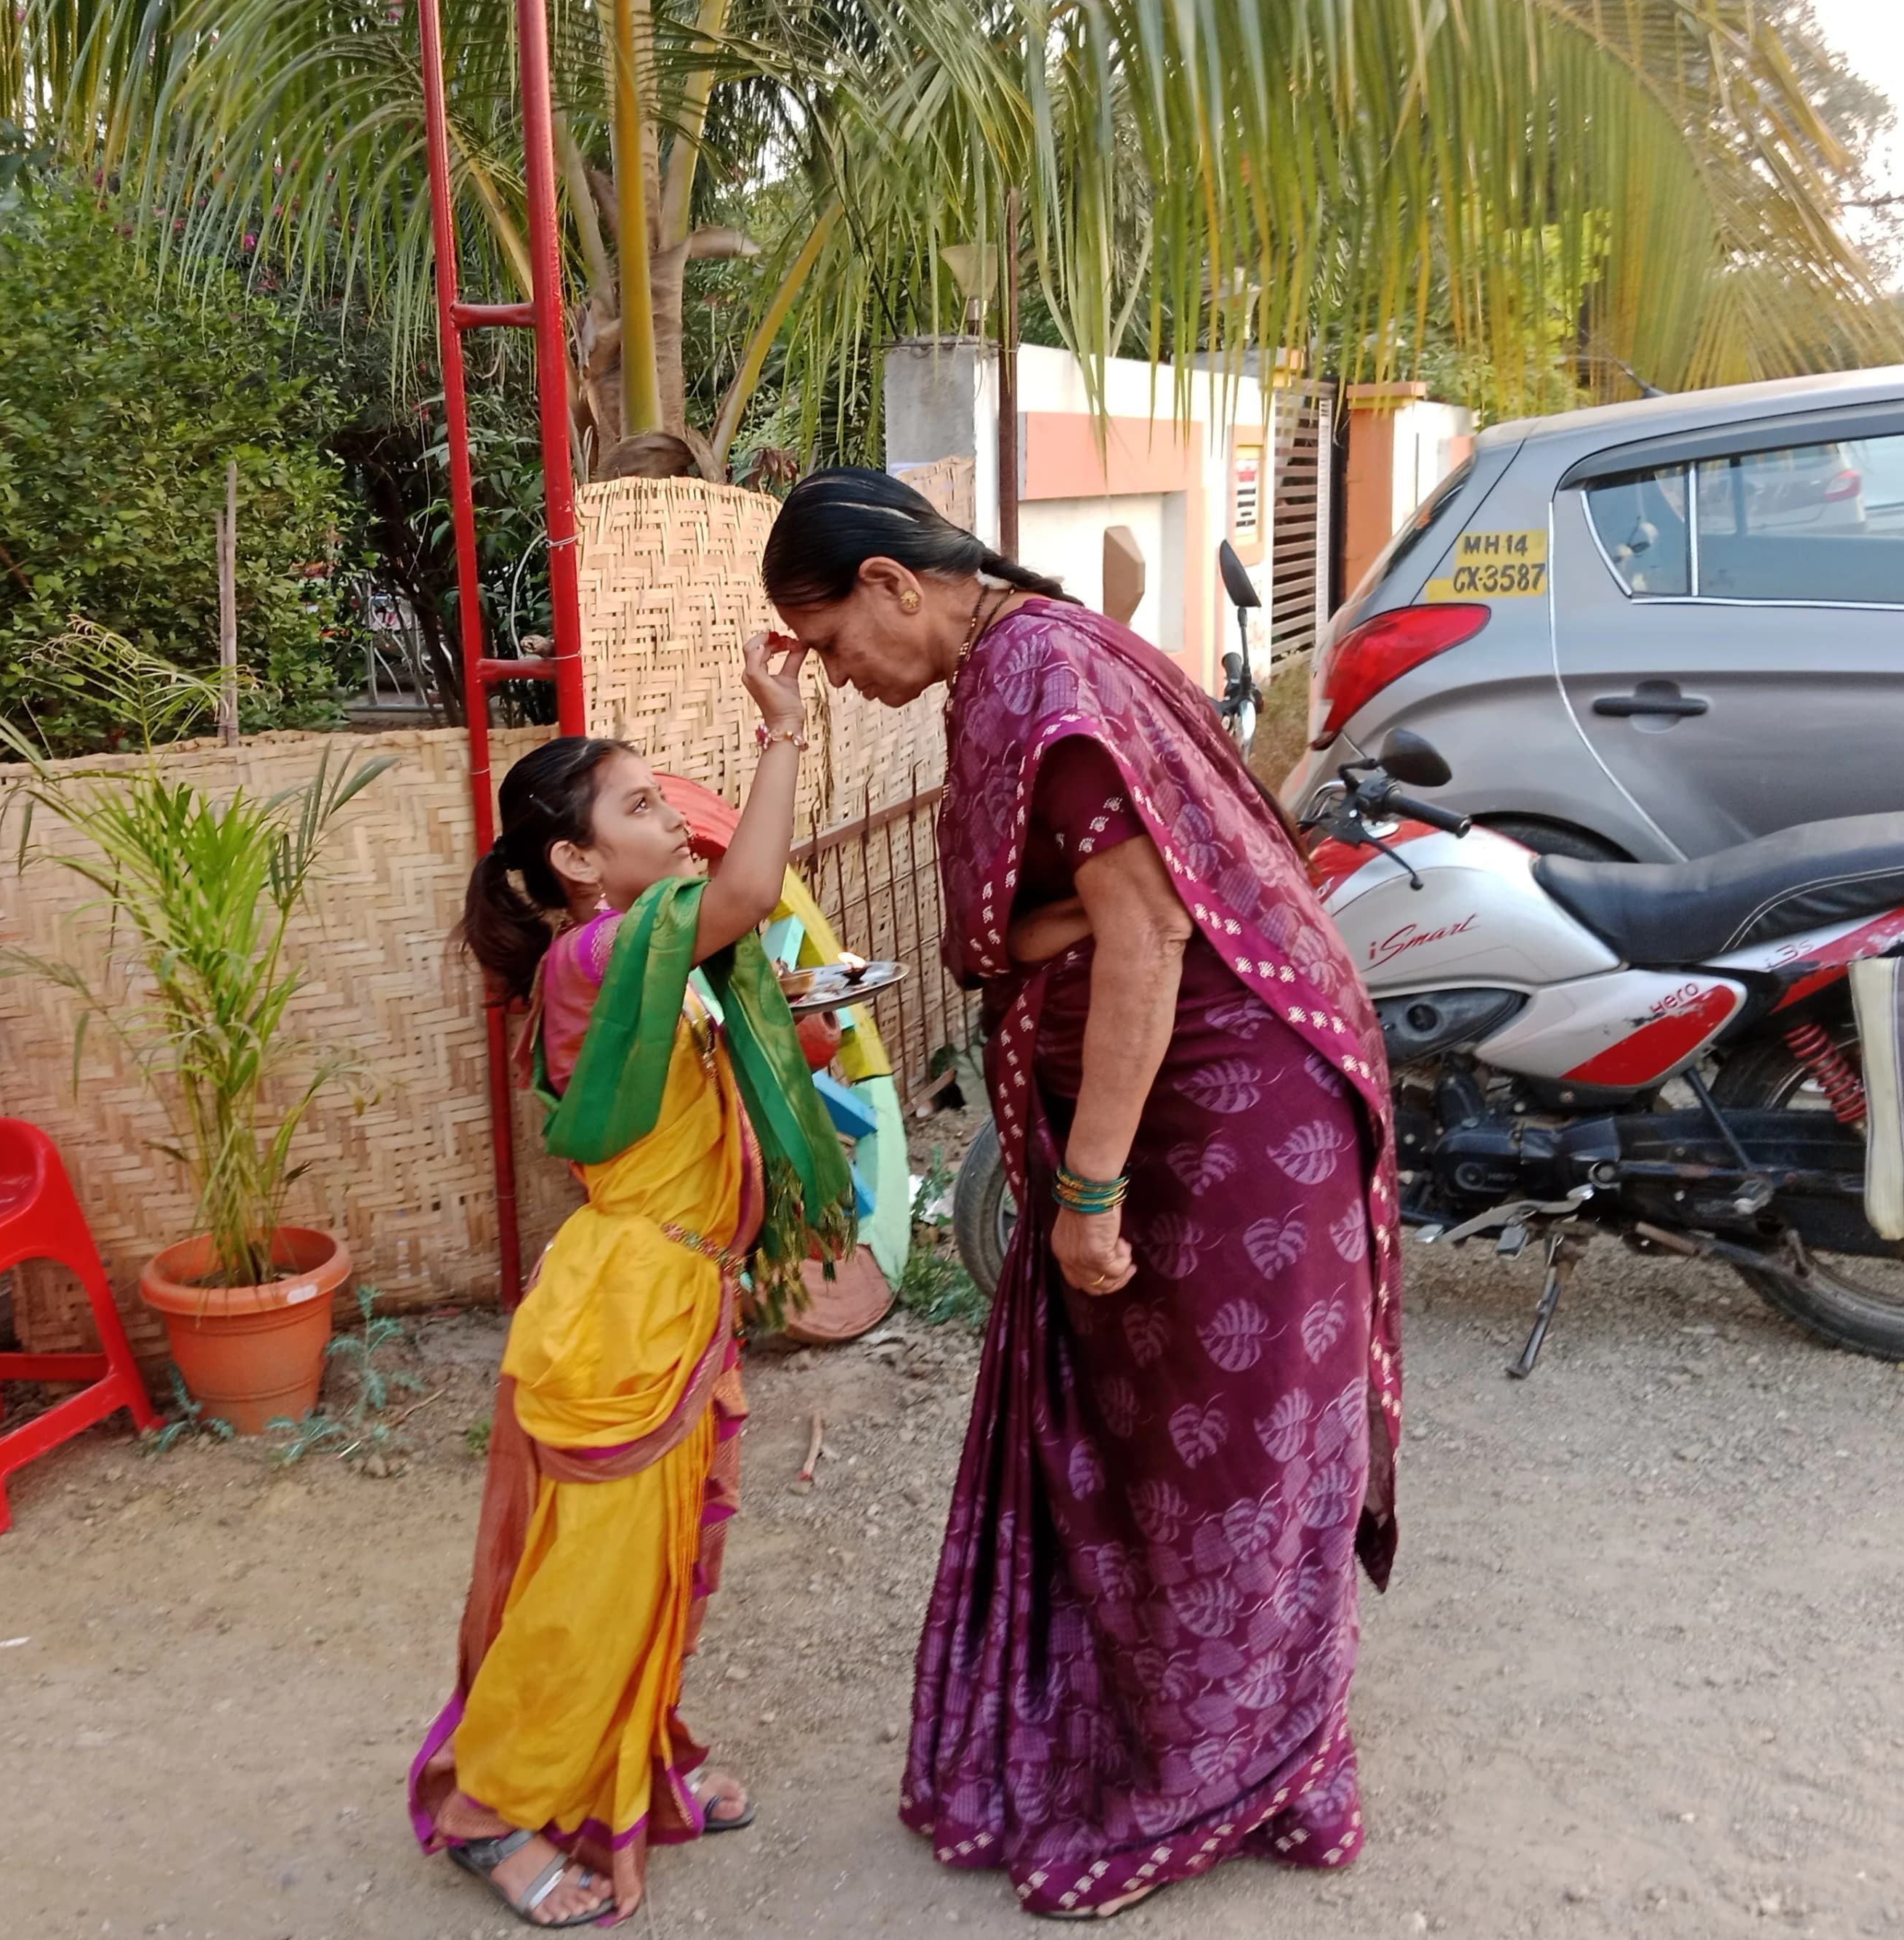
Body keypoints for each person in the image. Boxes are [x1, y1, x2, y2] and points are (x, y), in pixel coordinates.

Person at [761, 468, 1403, 1920]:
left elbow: (1152, 931)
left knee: (1230, 1466)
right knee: (1159, 1453)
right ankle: (1228, 1745)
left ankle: (1235, 1772)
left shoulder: (1039, 679)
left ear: (889, 585)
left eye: (836, 644)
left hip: (1232, 1129)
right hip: (1194, 1102)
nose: (848, 680)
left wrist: (1092, 1190)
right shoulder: (1026, 661)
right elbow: (1123, 901)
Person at [411, 634, 859, 1929]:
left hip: (676, 1309)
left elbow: (727, 1037)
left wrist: (795, 1017)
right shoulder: (593, 957)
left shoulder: (659, 963)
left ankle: (634, 1757)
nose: (673, 819)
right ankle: (490, 1806)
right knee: (589, 1585)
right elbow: (755, 885)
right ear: (574, 862)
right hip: (622, 1321)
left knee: (660, 1574)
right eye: (642, 805)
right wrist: (780, 731)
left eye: (666, 797)